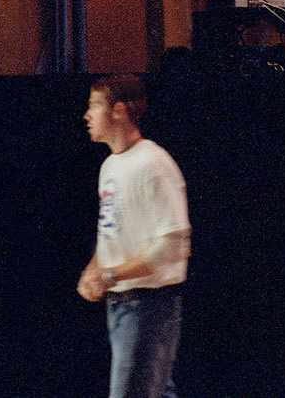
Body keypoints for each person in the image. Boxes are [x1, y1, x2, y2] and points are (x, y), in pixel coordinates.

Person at [77, 75, 189, 398]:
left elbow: (172, 248)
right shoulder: (111, 166)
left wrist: (110, 275)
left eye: (95, 106)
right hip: (121, 306)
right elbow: (112, 229)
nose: (87, 115)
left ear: (119, 111)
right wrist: (94, 268)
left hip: (149, 307)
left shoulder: (153, 164)